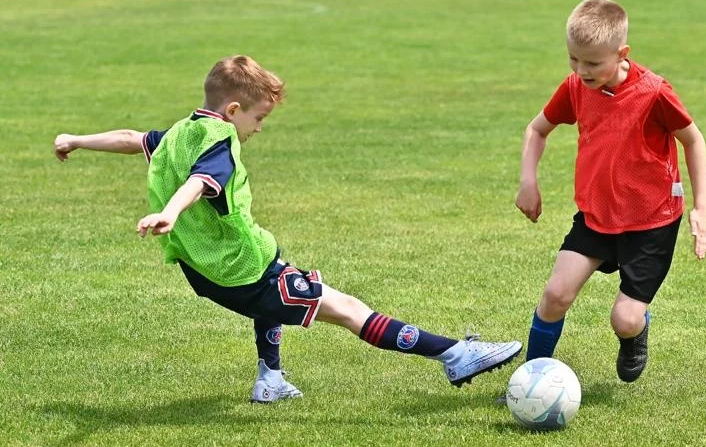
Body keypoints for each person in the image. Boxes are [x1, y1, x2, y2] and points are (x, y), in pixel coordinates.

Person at [53, 55, 521, 403]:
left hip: (203, 270)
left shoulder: (179, 132)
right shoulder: (218, 142)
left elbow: (133, 139)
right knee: (348, 309)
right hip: (242, 267)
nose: (259, 128)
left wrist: (75, 140)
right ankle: (455, 356)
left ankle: (270, 379)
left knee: (273, 296)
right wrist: (172, 212)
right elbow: (200, 181)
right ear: (233, 109)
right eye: (258, 117)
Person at [514, 0, 706, 386]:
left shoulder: (654, 93)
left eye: (592, 63)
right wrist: (528, 180)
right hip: (597, 216)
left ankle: (635, 329)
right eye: (574, 59)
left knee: (624, 318)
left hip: (651, 222)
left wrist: (700, 209)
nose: (580, 70)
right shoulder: (575, 87)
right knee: (555, 295)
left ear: (622, 54)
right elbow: (537, 129)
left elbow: (693, 140)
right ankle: (528, 381)